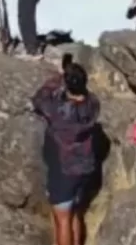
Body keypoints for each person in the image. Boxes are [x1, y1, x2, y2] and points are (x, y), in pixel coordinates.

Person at [32, 54, 100, 245]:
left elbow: (39, 100)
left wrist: (59, 76)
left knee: (62, 220)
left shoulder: (59, 110)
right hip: (85, 166)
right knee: (75, 214)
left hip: (64, 171)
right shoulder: (92, 103)